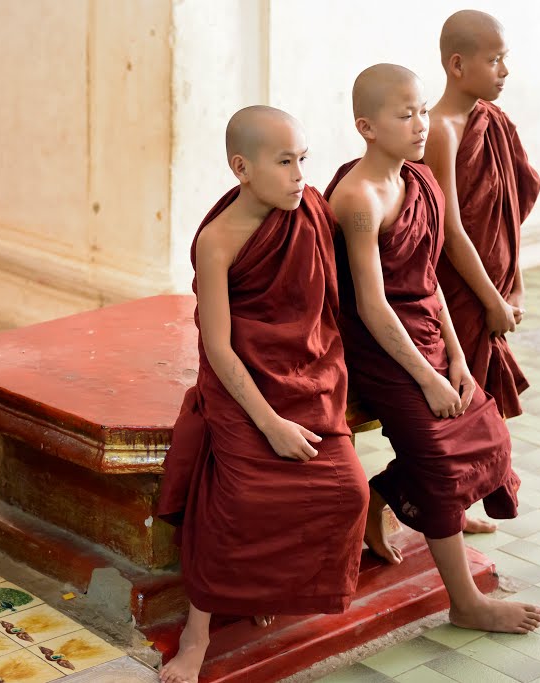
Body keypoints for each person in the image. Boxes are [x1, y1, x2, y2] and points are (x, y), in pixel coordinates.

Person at [326, 64, 540, 634]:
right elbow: (372, 307)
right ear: (366, 127)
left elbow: (429, 278)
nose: (421, 124)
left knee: (489, 433)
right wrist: (427, 377)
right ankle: (465, 602)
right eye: (405, 114)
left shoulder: (419, 181)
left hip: (427, 338)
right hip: (380, 351)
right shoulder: (359, 199)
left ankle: (383, 496)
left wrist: (459, 359)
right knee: (442, 464)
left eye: (423, 110)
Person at [157, 106, 369, 683]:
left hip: (308, 375)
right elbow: (220, 350)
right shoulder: (218, 240)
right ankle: (197, 634)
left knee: (349, 490)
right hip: (242, 385)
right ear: (241, 168)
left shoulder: (313, 214)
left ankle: (269, 585)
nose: (300, 174)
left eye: (304, 159)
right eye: (284, 162)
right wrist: (270, 423)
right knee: (242, 500)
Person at [426, 9, 540, 419]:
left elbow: (508, 212)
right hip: (461, 293)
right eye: (494, 60)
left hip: (494, 290)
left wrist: (515, 287)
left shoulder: (493, 120)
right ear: (457, 64)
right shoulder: (441, 129)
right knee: (464, 413)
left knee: (486, 415)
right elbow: (450, 229)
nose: (505, 71)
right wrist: (492, 300)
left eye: (504, 58)